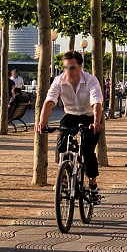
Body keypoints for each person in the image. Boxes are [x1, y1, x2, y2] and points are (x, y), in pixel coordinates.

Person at [35, 52, 104, 201]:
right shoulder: (59, 81)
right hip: (71, 115)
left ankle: (93, 185)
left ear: (80, 67)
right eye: (65, 67)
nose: (68, 71)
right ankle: (64, 176)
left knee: (87, 150)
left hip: (90, 116)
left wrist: (96, 122)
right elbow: (50, 100)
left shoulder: (91, 80)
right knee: (61, 145)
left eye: (72, 67)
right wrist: (42, 121)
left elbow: (96, 102)